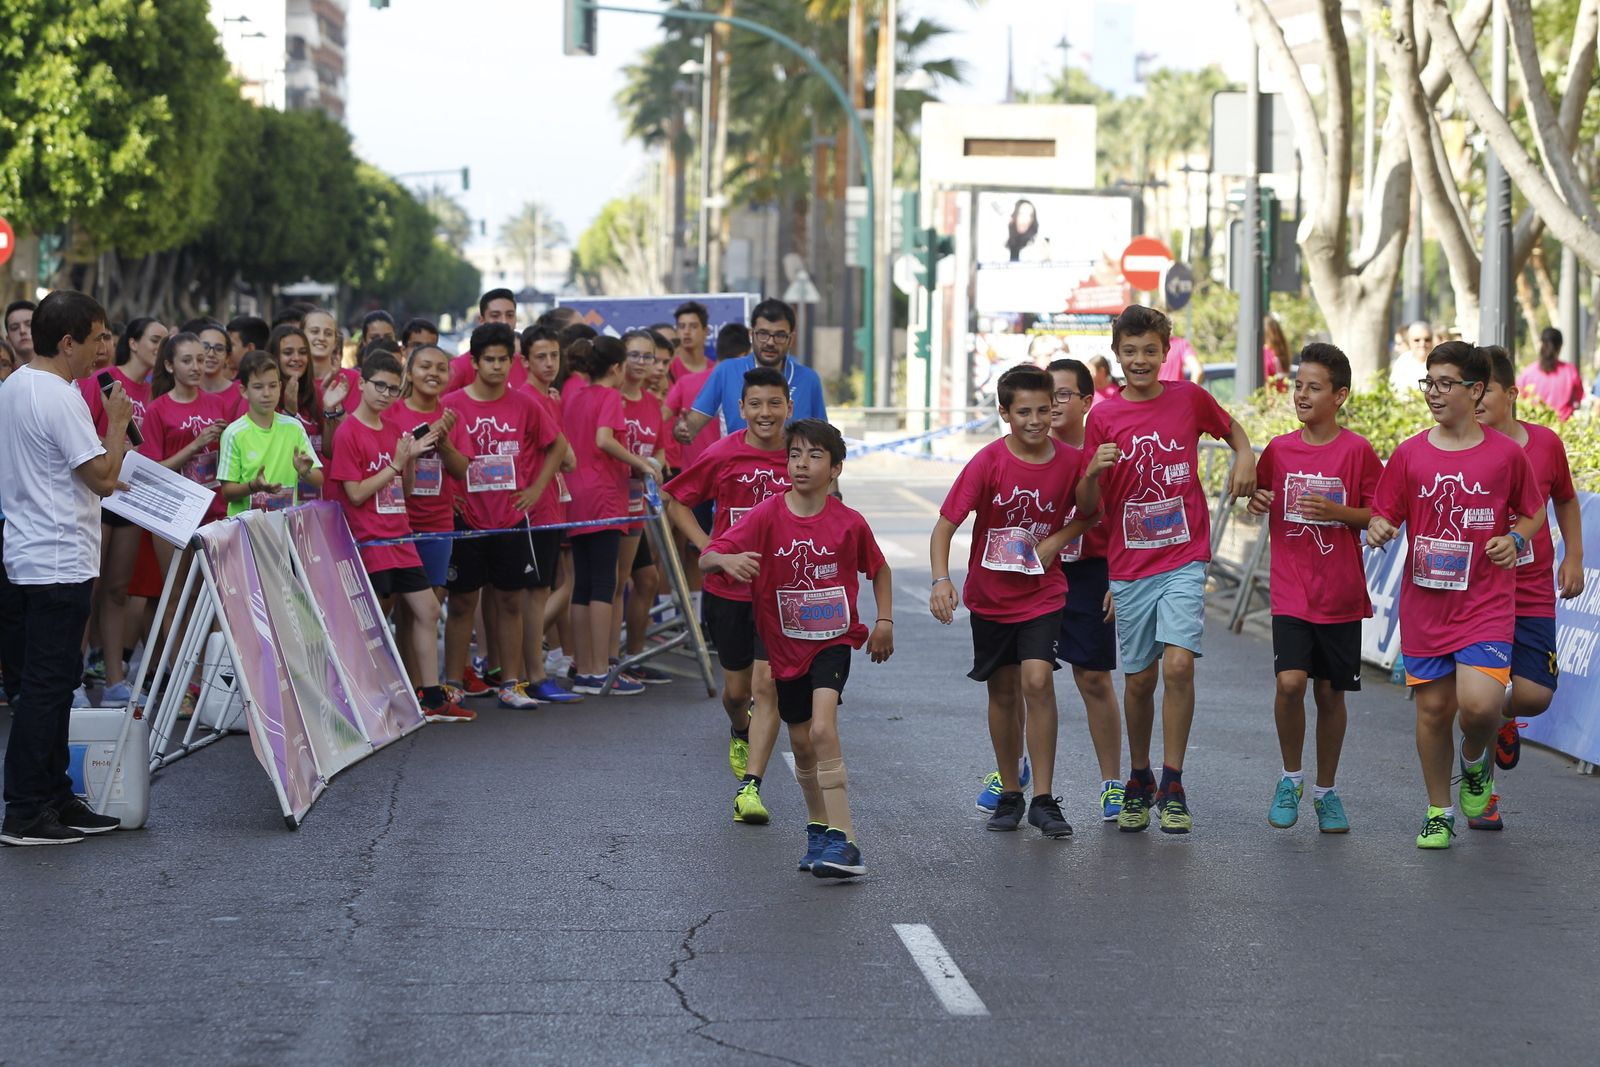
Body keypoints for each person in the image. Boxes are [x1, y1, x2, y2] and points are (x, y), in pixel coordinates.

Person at [1084, 304, 1256, 835]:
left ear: (1166, 352)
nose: (1140, 361)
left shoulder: (1189, 398)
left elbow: (1234, 431)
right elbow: (1088, 504)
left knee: (1179, 665)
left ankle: (1174, 780)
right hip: (1130, 563)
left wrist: (1245, 455)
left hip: (1184, 555)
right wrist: (1092, 469)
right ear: (1117, 356)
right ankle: (1139, 778)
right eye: (1130, 352)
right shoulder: (1103, 418)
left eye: (1150, 351)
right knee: (1139, 680)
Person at [1367, 341, 1544, 850]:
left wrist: (1515, 539)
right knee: (1432, 712)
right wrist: (1379, 528)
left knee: (1481, 707)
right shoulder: (1410, 453)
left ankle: (1473, 764)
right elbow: (1386, 513)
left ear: (1477, 390)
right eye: (1430, 383)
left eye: (1446, 384)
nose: (1435, 394)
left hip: (1486, 604)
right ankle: (1438, 810)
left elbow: (1532, 512)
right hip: (1426, 604)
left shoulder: (1506, 454)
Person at [700, 419, 894, 878]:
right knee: (803, 742)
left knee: (824, 728)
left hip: (833, 641)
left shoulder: (849, 523)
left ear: (836, 469)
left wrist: (883, 620)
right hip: (784, 645)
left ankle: (847, 842)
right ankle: (819, 829)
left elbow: (879, 569)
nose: (801, 463)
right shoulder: (767, 514)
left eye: (814, 455)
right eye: (794, 454)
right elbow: (708, 557)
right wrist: (727, 558)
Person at [930, 364, 1102, 838]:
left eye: (1044, 410)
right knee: (1002, 692)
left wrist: (1056, 540)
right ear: (1004, 413)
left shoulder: (1069, 461)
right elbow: (946, 525)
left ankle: (1044, 799)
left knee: (1038, 679)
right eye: (1023, 412)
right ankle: (1011, 792)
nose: (1035, 420)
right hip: (990, 596)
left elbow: (1092, 513)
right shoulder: (988, 462)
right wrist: (940, 580)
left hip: (1043, 594)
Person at [0, 290, 128, 845]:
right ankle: (25, 810)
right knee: (47, 688)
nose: (105, 348)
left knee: (49, 684)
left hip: (30, 554)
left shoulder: (17, 384)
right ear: (68, 341)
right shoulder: (58, 394)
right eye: (98, 337)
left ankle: (54, 797)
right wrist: (119, 423)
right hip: (56, 560)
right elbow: (99, 475)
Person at [1246, 344, 1381, 833]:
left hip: (1340, 592)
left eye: (1314, 387)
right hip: (1291, 590)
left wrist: (1338, 514)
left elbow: (1379, 514)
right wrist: (1255, 499)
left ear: (1339, 395)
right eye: (1297, 385)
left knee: (1329, 693)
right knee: (1290, 684)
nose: (1301, 394)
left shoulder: (1357, 451)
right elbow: (1256, 494)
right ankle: (1290, 777)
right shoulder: (1280, 449)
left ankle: (1326, 791)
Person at [664, 367, 794, 825]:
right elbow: (676, 500)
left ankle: (751, 788)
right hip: (728, 592)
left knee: (768, 684)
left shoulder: (798, 457)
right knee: (737, 693)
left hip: (780, 596)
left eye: (774, 403)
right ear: (740, 409)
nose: (765, 413)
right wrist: (710, 548)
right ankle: (739, 729)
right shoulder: (723, 454)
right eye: (755, 404)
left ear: (788, 407)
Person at [1472, 346, 1585, 830]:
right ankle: (1483, 788)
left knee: (1535, 695)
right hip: (1477, 593)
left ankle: (1498, 718)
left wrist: (1574, 557)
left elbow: (1566, 500)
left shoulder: (1545, 444)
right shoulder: (1462, 446)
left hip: (1533, 589)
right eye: (1468, 389)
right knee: (1478, 695)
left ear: (1511, 394)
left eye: (1486, 390)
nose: (1475, 399)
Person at [328, 351, 467, 724]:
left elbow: (402, 489)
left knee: (429, 609)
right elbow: (355, 494)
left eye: (393, 388)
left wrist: (409, 459)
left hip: (400, 537)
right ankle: (361, 697)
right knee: (369, 620)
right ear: (362, 384)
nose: (386, 394)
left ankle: (432, 696)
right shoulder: (348, 432)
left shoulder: (393, 431)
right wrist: (394, 464)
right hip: (369, 540)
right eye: (380, 386)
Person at [439, 322, 567, 710]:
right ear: (474, 362)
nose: (496, 367)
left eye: (502, 360)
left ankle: (512, 683)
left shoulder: (525, 403)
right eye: (489, 360)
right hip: (467, 521)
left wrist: (535, 489)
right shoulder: (453, 405)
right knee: (462, 603)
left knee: (511, 602)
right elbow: (436, 454)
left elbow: (558, 446)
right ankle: (452, 682)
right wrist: (451, 497)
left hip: (511, 520)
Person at [1041, 358, 1124, 821]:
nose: (1052, 404)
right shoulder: (1029, 447)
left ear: (1087, 401)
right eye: (1046, 394)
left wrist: (1120, 576)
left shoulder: (1106, 451)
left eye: (1063, 395)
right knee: (1023, 675)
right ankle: (1016, 772)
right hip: (1035, 573)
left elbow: (1122, 515)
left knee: (1092, 677)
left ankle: (1112, 783)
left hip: (1091, 571)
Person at [562, 337, 656, 696]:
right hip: (603, 496)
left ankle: (585, 668)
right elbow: (604, 439)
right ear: (616, 368)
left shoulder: (574, 396)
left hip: (576, 496)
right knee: (603, 584)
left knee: (583, 585)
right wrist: (641, 463)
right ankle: (600, 668)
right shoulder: (609, 397)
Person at [79, 316, 164, 704]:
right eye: (155, 339)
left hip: (134, 498)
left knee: (117, 590)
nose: (161, 347)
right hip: (99, 492)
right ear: (133, 342)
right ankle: (74, 679)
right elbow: (78, 434)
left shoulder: (154, 390)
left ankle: (116, 680)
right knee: (89, 589)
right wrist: (113, 441)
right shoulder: (102, 380)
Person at [512, 326, 582, 706]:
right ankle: (533, 675)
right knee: (534, 593)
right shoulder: (528, 398)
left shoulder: (548, 396)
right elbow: (567, 456)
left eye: (554, 355)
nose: (549, 363)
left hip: (553, 506)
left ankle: (531, 671)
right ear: (524, 361)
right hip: (534, 509)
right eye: (541, 356)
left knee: (541, 590)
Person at [675, 300, 827, 442]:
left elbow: (822, 438)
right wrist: (682, 430)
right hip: (736, 468)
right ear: (751, 334)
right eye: (763, 334)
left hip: (790, 470)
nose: (770, 342)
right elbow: (691, 427)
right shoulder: (726, 372)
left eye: (780, 335)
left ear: (791, 339)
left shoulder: (809, 379)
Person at [613, 330, 670, 685]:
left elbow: (660, 448)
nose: (641, 362)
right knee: (617, 583)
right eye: (633, 355)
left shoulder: (651, 403)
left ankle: (633, 656)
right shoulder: (610, 398)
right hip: (611, 503)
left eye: (647, 356)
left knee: (647, 580)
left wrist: (655, 465)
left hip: (639, 503)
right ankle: (605, 660)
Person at [218, 350, 323, 515]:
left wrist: (306, 472)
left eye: (272, 386)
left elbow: (318, 481)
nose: (267, 393)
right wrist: (254, 486)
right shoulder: (233, 433)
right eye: (258, 387)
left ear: (280, 387)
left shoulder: (294, 427)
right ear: (244, 391)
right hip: (247, 531)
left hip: (285, 528)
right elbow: (227, 492)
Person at [448, 289, 519, 391]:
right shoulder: (458, 368)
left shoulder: (526, 365)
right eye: (495, 316)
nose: (504, 322)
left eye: (510, 315)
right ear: (481, 321)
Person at [1515, 327, 1585, 421]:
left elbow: (1519, 399)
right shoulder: (1570, 371)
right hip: (1563, 430)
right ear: (1560, 347)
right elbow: (1578, 399)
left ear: (1541, 345)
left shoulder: (1528, 373)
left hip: (1535, 427)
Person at [668, 301, 713, 383]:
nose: (686, 332)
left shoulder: (715, 371)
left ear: (706, 331)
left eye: (693, 326)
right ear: (676, 331)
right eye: (682, 326)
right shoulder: (668, 369)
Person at [1388, 320, 1434, 392]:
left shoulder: (1440, 362)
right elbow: (1393, 390)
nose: (1422, 344)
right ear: (1409, 341)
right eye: (1417, 340)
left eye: (1427, 340)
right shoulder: (1402, 361)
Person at [4, 300, 35, 367]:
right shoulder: (4, 375)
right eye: (14, 327)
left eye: (29, 324)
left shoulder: (59, 371)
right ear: (8, 340)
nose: (22, 331)